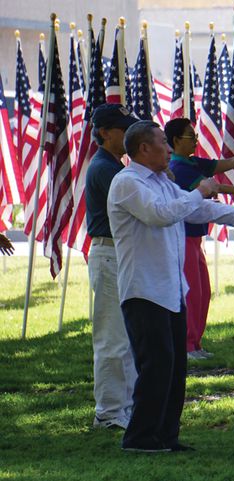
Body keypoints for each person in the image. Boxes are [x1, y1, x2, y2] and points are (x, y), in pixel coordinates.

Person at [108, 121, 234, 452]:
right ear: (143, 149)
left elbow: (203, 208)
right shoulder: (127, 183)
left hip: (171, 290)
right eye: (163, 144)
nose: (169, 149)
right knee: (155, 367)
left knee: (175, 369)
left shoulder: (162, 182)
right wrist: (200, 191)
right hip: (143, 290)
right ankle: (140, 438)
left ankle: (166, 436)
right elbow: (162, 215)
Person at [163, 117, 234, 360]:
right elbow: (214, 189)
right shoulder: (179, 168)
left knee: (203, 291)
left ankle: (196, 343)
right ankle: (188, 346)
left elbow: (226, 164)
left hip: (195, 240)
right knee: (192, 294)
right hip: (183, 238)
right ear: (175, 141)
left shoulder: (192, 163)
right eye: (190, 137)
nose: (195, 141)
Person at [84, 104, 139, 430]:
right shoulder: (105, 168)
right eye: (122, 129)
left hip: (118, 255)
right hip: (109, 254)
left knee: (126, 338)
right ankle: (108, 413)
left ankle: (123, 408)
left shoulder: (113, 164)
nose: (128, 134)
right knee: (112, 339)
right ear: (105, 133)